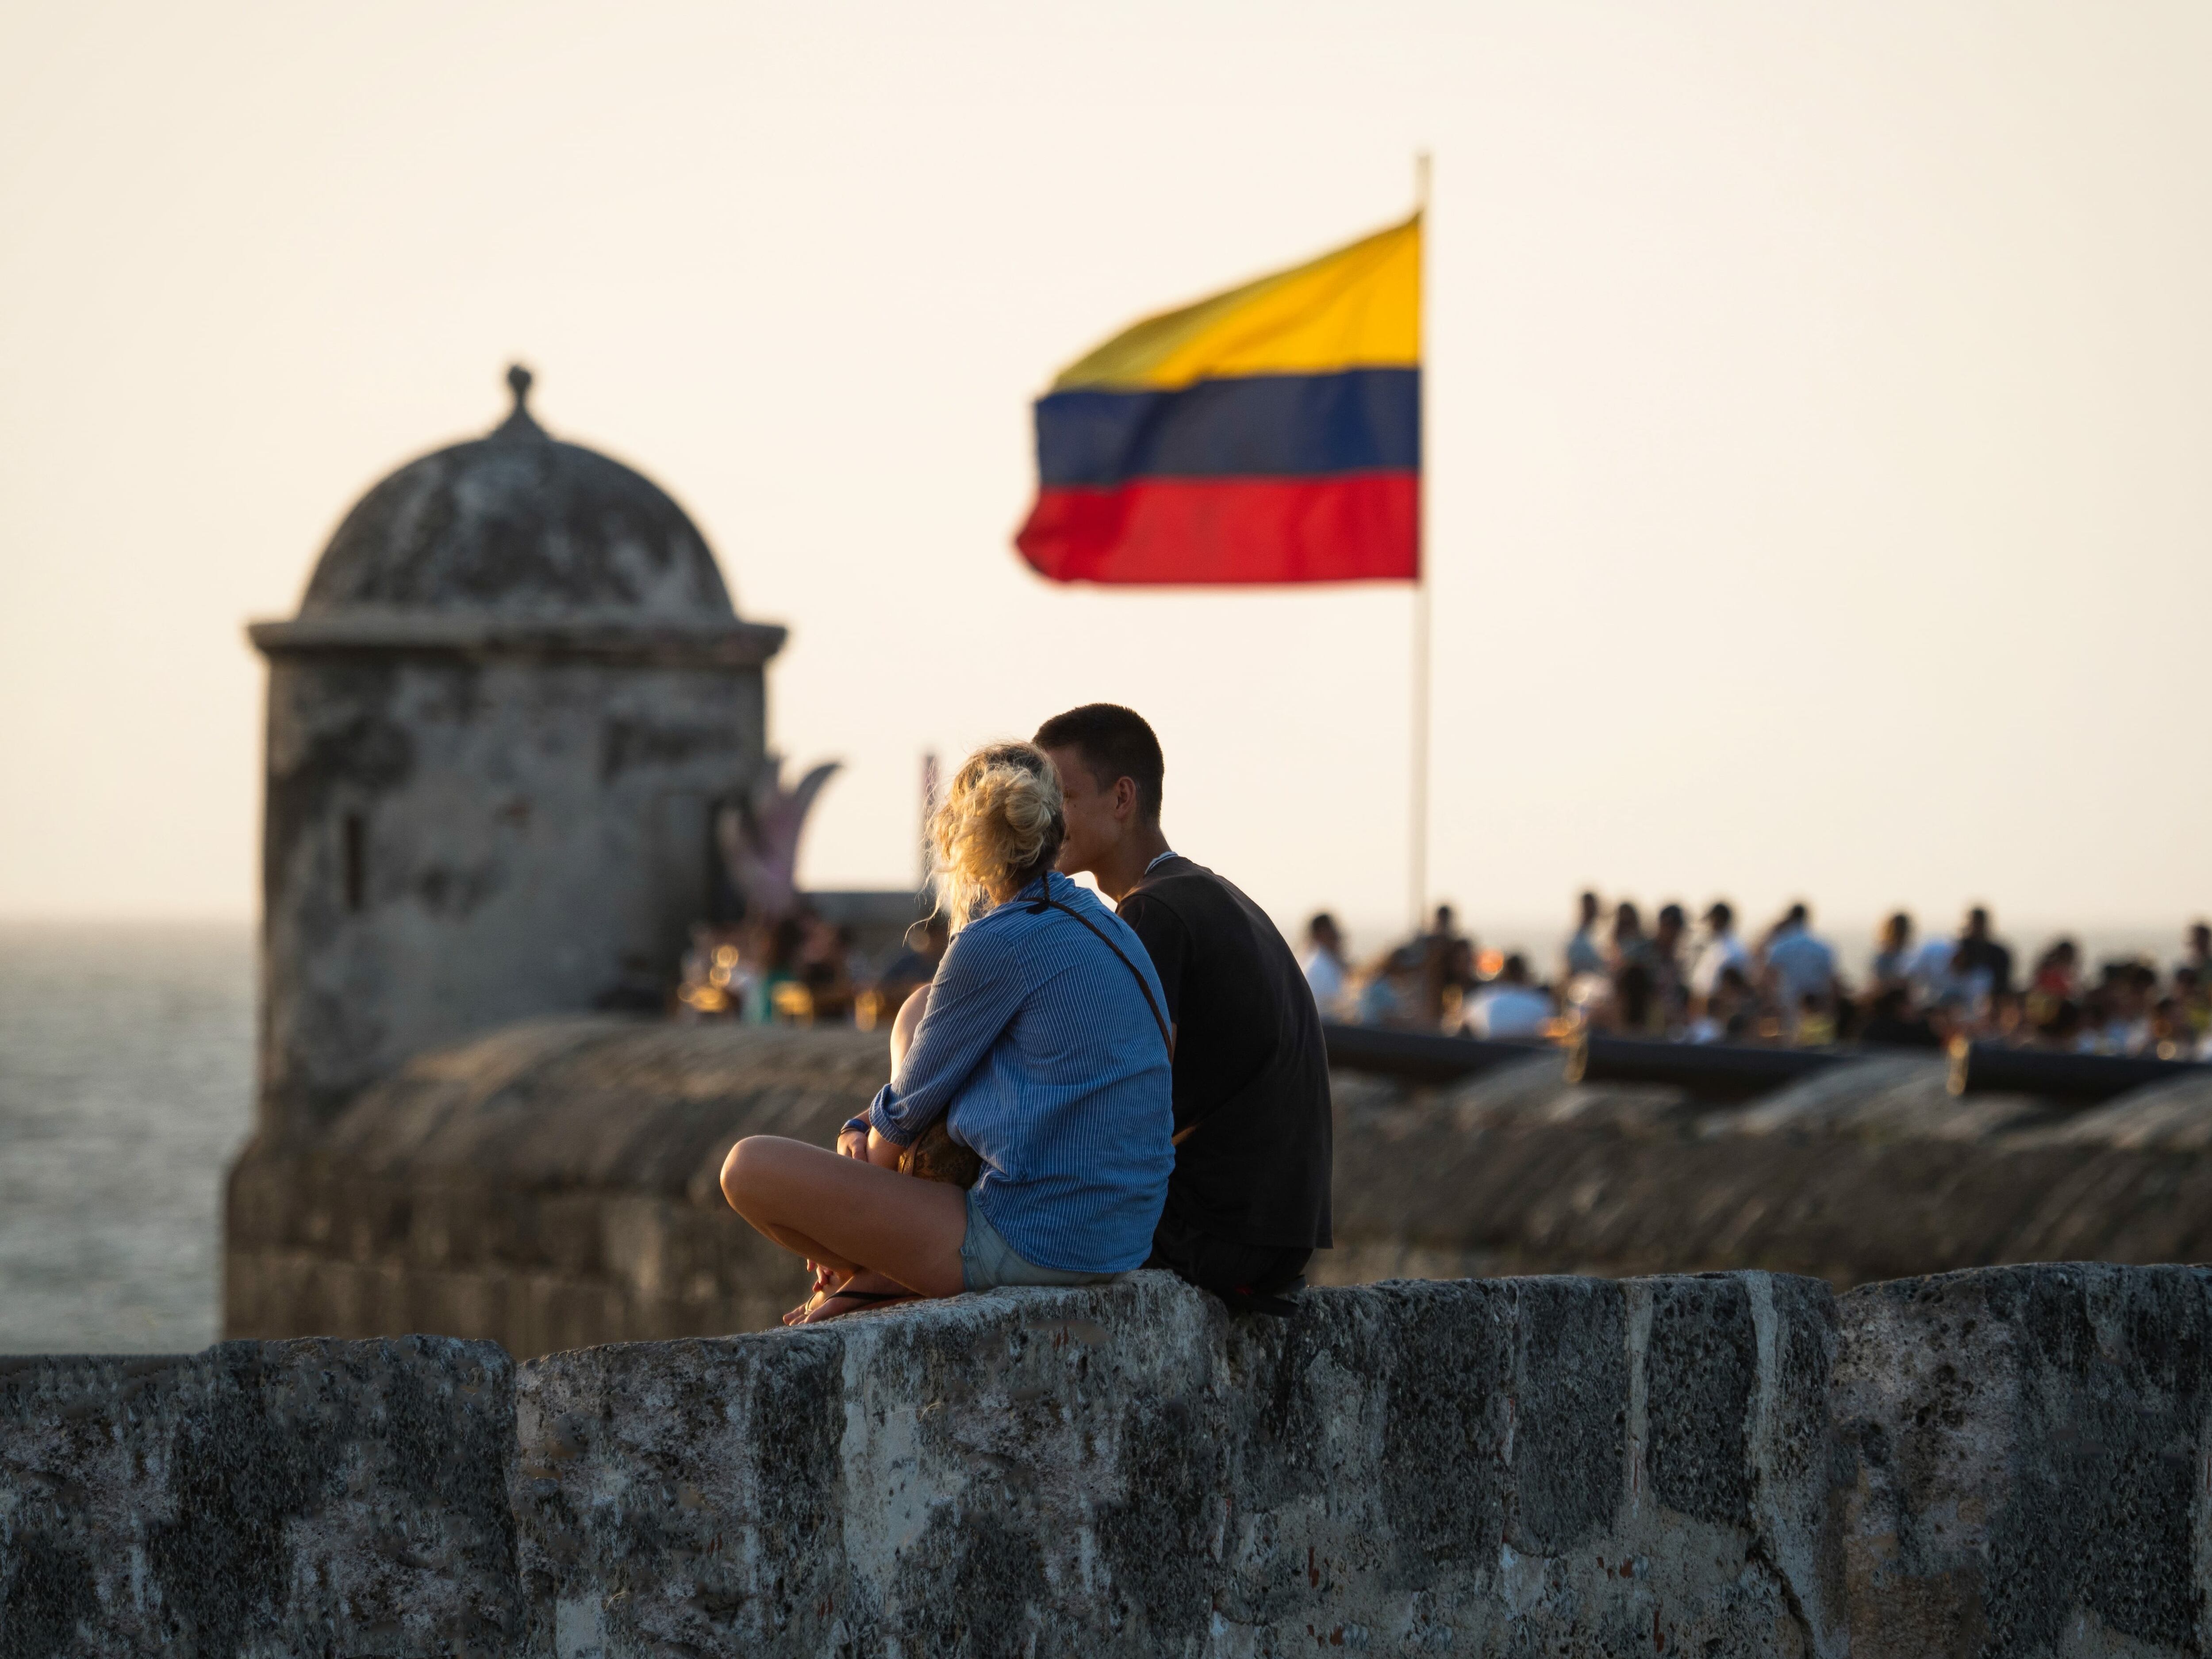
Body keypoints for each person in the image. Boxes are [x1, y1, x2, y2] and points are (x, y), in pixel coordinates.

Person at [718, 741, 1174, 1323]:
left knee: (747, 1167)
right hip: (1122, 1236)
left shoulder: (994, 941)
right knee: (918, 1007)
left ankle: (868, 1276)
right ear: (1054, 830)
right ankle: (876, 1276)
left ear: (965, 846)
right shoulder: (1105, 924)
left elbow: (892, 1139)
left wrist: (858, 1139)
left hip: (1039, 1241)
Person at [1035, 703, 1330, 1309]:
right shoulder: (1214, 894)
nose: (1042, 819)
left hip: (1212, 1234)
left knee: (989, 1222)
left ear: (1122, 798)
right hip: (1277, 1238)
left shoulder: (1151, 914)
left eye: (1060, 797)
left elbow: (1109, 1099)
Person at [1467, 953, 1551, 1039]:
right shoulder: (1540, 1002)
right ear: (1524, 974)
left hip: (1485, 1048)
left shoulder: (1481, 998)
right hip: (1530, 1050)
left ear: (1502, 975)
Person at [1952, 906, 2015, 1003]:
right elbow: (1953, 975)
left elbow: (2003, 985)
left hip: (1988, 1005)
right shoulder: (1960, 949)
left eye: (1978, 923)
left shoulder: (1999, 953)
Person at [1689, 902, 1750, 999]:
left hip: (1719, 1008)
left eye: (1711, 920)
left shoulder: (1731, 950)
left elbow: (1733, 988)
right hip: (1705, 1005)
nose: (1709, 925)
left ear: (1718, 920)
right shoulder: (1715, 945)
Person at [1300, 912, 1352, 1019]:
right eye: (1333, 934)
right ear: (1321, 934)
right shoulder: (1318, 966)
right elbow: (1335, 1006)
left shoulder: (1316, 960)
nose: (1339, 939)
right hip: (1327, 1028)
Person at [1563, 891, 1606, 979]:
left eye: (1591, 908)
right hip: (1579, 983)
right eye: (1587, 908)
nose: (1589, 911)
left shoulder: (1604, 934)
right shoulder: (1574, 936)